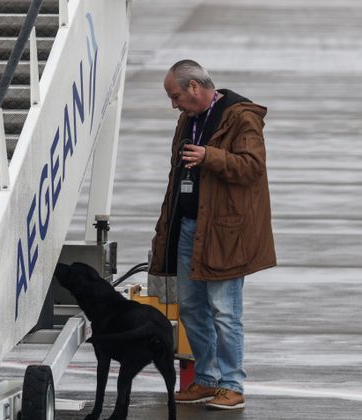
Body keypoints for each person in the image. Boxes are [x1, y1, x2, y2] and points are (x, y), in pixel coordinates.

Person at [149, 59, 276, 410]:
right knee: (191, 307)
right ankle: (206, 380)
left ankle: (232, 384)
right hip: (189, 226)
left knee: (224, 310)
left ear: (194, 87)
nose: (173, 104)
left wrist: (210, 156)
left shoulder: (241, 116)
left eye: (176, 96)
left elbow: (252, 166)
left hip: (224, 232)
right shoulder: (188, 118)